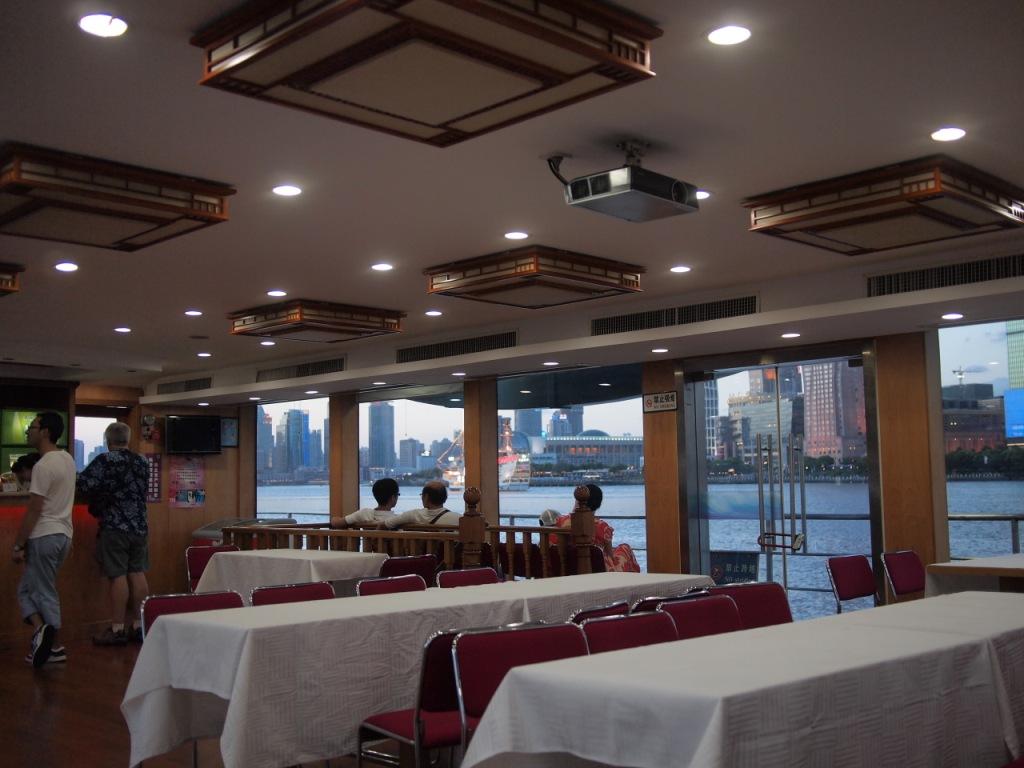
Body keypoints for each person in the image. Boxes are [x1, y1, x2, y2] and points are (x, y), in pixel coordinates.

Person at [76, 422, 150, 646]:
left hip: (115, 526)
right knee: (137, 573)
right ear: (128, 439)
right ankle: (139, 626)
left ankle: (117, 629)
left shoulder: (104, 461)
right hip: (140, 526)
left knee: (117, 575)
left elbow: (83, 485)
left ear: (108, 441)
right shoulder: (142, 461)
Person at [13, 412, 76, 668]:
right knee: (27, 590)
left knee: (43, 591)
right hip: (64, 535)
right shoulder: (67, 459)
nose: (29, 430)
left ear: (46, 432)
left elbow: (35, 509)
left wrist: (19, 544)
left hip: (44, 535)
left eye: (33, 426)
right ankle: (42, 634)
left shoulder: (43, 466)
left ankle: (54, 647)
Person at [545, 484, 641, 573]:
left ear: (576, 499)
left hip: (562, 568)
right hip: (594, 569)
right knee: (625, 548)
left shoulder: (560, 521)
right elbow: (609, 555)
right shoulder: (602, 527)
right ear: (598, 504)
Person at [381, 480, 461, 528]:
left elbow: (384, 525)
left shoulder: (414, 515)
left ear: (426, 497)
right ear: (445, 498)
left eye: (422, 495)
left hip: (426, 552)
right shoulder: (458, 518)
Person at [334, 478, 401, 527]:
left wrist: (334, 519)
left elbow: (336, 522)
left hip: (368, 543)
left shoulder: (365, 513)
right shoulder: (397, 520)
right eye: (398, 494)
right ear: (393, 498)